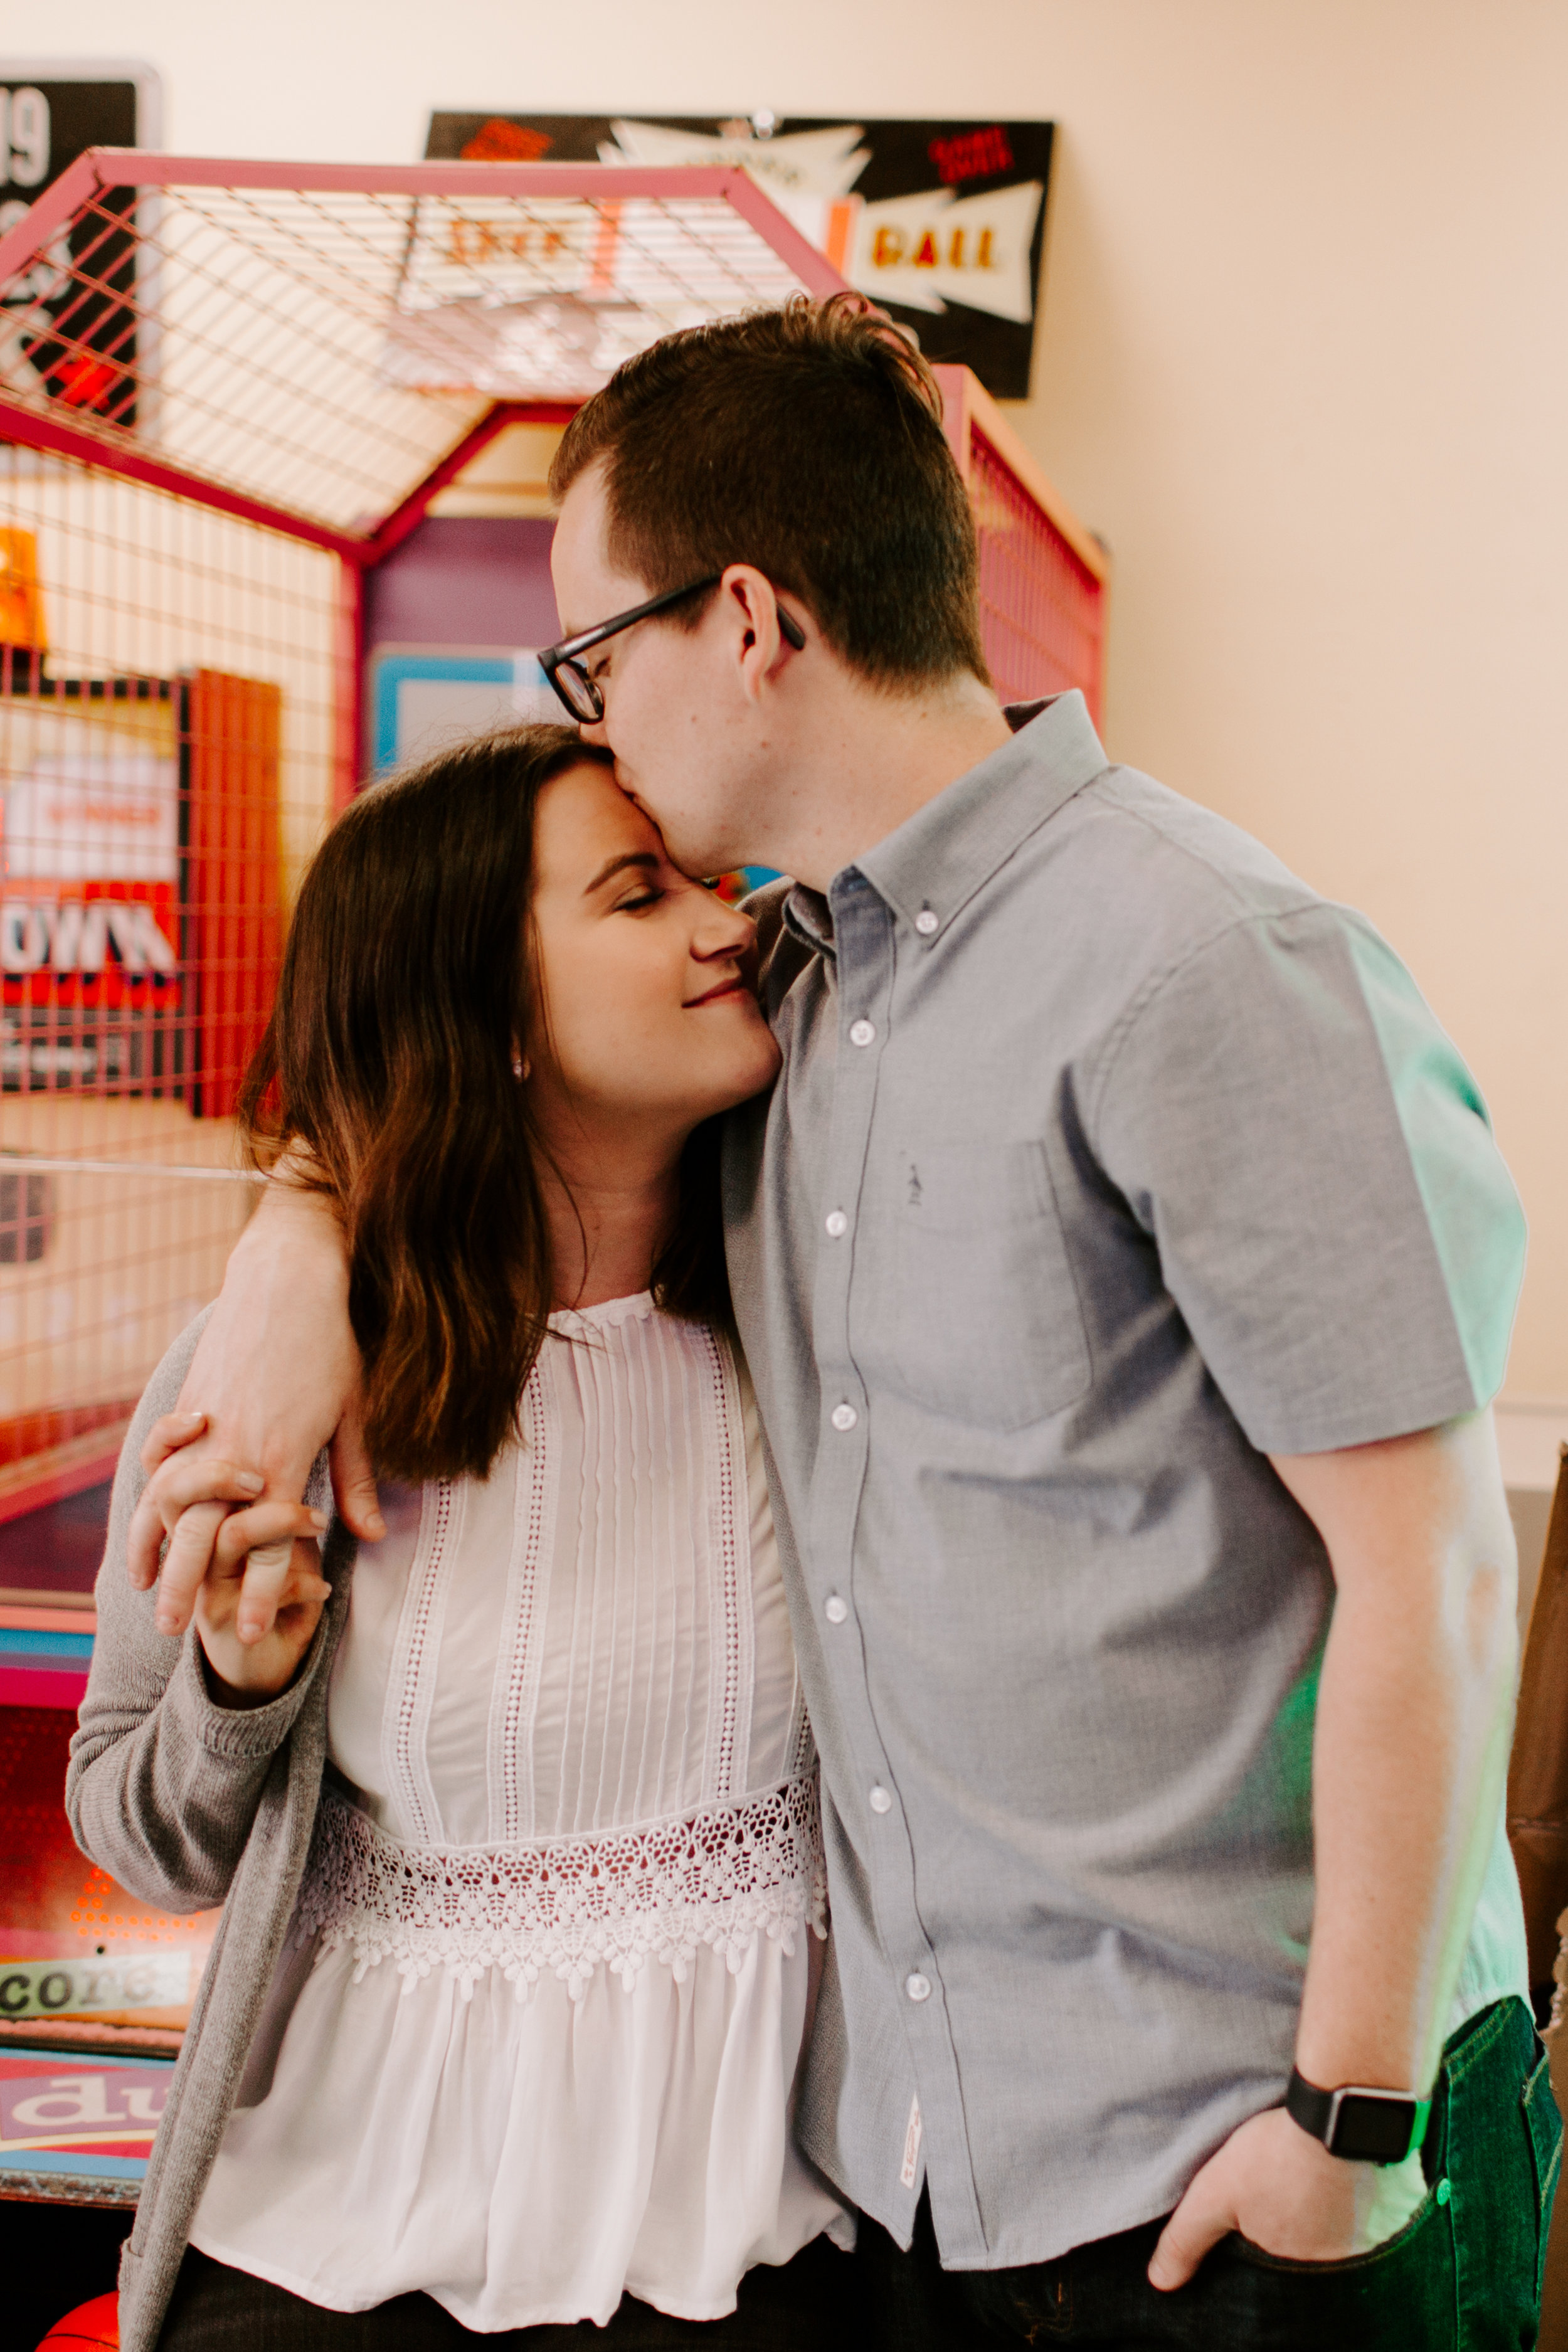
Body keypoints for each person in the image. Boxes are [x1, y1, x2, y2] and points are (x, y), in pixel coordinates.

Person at [130, 297, 1555, 2349]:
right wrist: (294, 1255)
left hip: (1250, 2157)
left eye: (593, 658)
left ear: (746, 622)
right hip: (918, 2185)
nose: (589, 716)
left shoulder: (1204, 962)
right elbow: (469, 1058)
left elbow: (1432, 1567)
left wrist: (1351, 2114)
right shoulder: (787, 993)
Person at [68, 726, 862, 2352]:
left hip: (756, 2240)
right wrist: (241, 1676)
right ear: (487, 1016)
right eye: (638, 897)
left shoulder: (820, 1324)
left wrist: (295, 1220)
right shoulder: (278, 1378)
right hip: (341, 2246)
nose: (731, 925)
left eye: (709, 879)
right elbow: (144, 1838)